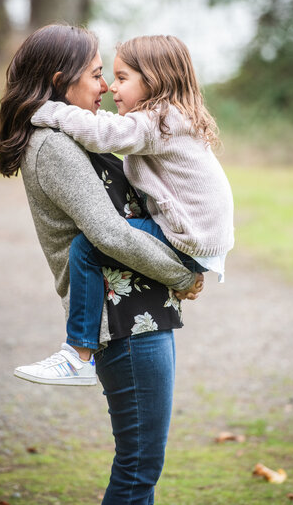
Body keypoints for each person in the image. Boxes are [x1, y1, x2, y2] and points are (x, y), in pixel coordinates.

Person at [0, 23, 203, 504]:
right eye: (97, 74)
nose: (105, 86)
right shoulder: (52, 146)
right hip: (120, 317)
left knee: (141, 465)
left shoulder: (74, 136)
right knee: (138, 468)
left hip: (138, 310)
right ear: (63, 79)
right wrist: (183, 273)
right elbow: (107, 233)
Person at [25, 34, 235, 383]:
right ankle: (79, 354)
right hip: (197, 237)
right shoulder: (167, 119)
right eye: (108, 77)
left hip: (189, 238)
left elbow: (102, 133)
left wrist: (51, 110)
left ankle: (77, 354)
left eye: (122, 78)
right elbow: (111, 130)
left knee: (86, 248)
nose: (112, 89)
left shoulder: (159, 121)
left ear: (153, 82)